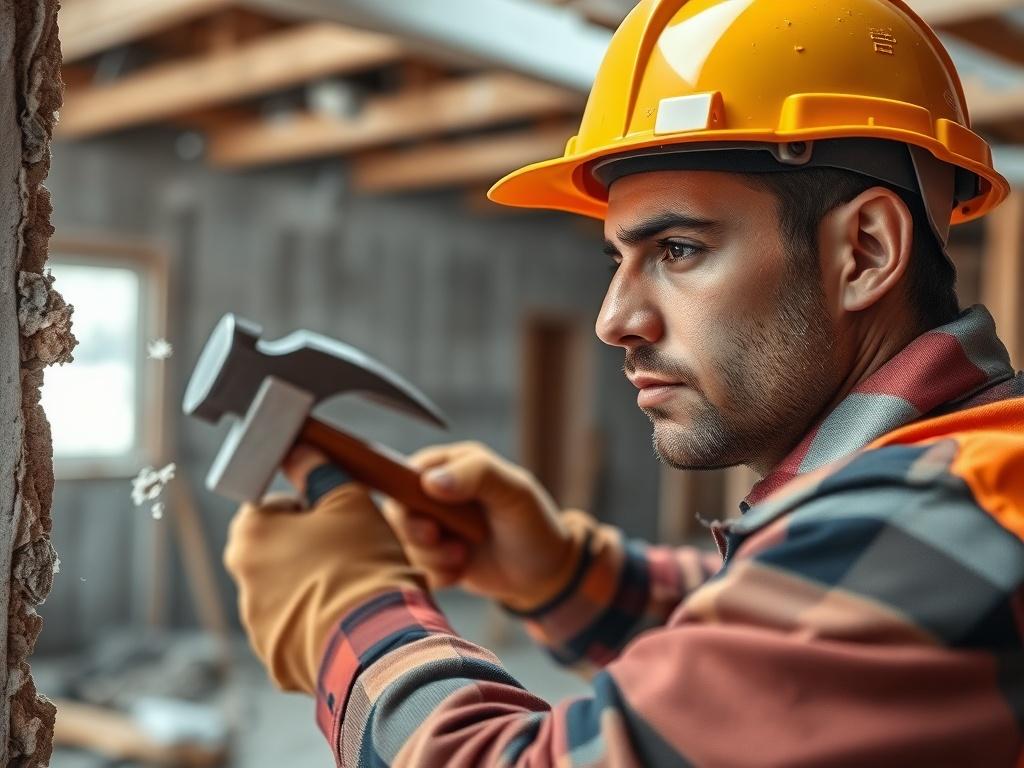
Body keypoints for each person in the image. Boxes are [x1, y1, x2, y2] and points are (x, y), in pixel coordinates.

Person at [223, 0, 1024, 765]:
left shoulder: (943, 518)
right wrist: (566, 572)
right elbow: (769, 643)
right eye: (619, 260)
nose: (614, 319)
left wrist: (347, 613)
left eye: (677, 249)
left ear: (866, 252)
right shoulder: (959, 483)